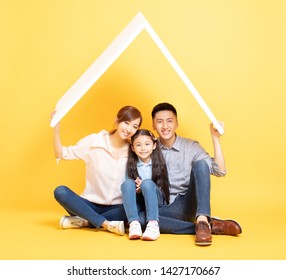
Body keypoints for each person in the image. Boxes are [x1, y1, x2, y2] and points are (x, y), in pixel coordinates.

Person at [149, 102, 242, 246]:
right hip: (162, 208)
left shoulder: (190, 146)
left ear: (177, 123)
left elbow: (220, 171)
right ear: (153, 125)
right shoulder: (148, 146)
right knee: (141, 219)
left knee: (201, 164)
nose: (165, 126)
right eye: (159, 122)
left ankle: (203, 219)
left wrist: (215, 138)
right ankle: (204, 227)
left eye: (169, 121)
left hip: (187, 204)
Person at [51, 105, 142, 236]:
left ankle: (85, 221)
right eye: (126, 123)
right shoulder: (95, 141)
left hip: (117, 208)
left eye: (135, 126)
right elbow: (61, 154)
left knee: (138, 207)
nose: (129, 129)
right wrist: (56, 127)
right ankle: (106, 224)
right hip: (88, 205)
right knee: (61, 192)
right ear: (116, 121)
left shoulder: (134, 150)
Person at [121, 129, 169, 241]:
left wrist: (144, 185)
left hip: (156, 198)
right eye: (138, 145)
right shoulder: (130, 164)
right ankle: (134, 223)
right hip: (139, 200)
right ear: (132, 147)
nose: (143, 148)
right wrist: (137, 188)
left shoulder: (159, 162)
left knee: (147, 183)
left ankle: (153, 224)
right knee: (127, 183)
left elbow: (161, 187)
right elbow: (129, 187)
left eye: (147, 144)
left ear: (154, 145)